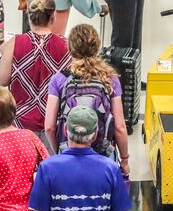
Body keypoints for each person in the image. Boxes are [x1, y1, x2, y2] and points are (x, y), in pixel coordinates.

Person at [44, 24, 129, 172]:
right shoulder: (110, 79)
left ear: (70, 48)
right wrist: (125, 160)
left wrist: (60, 150)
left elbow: (49, 127)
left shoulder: (59, 79)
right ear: (97, 48)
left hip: (68, 153)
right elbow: (120, 127)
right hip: (102, 155)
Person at [0, 0, 71, 134]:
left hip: (20, 123)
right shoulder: (66, 46)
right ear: (53, 16)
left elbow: (2, 79)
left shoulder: (15, 42)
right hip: (54, 123)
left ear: (29, 17)